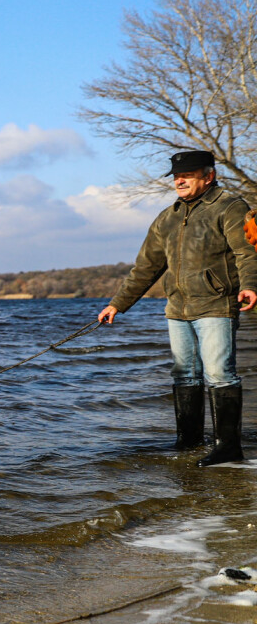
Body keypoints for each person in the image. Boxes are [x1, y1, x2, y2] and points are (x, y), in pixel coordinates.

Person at [99, 150, 257, 466]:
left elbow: (247, 253)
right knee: (184, 373)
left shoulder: (229, 206)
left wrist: (250, 285)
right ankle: (189, 443)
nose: (179, 181)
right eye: (175, 176)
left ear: (208, 176)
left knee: (218, 372)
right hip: (177, 309)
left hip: (216, 304)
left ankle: (228, 447)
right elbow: (146, 267)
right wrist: (118, 304)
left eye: (187, 175)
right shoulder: (167, 217)